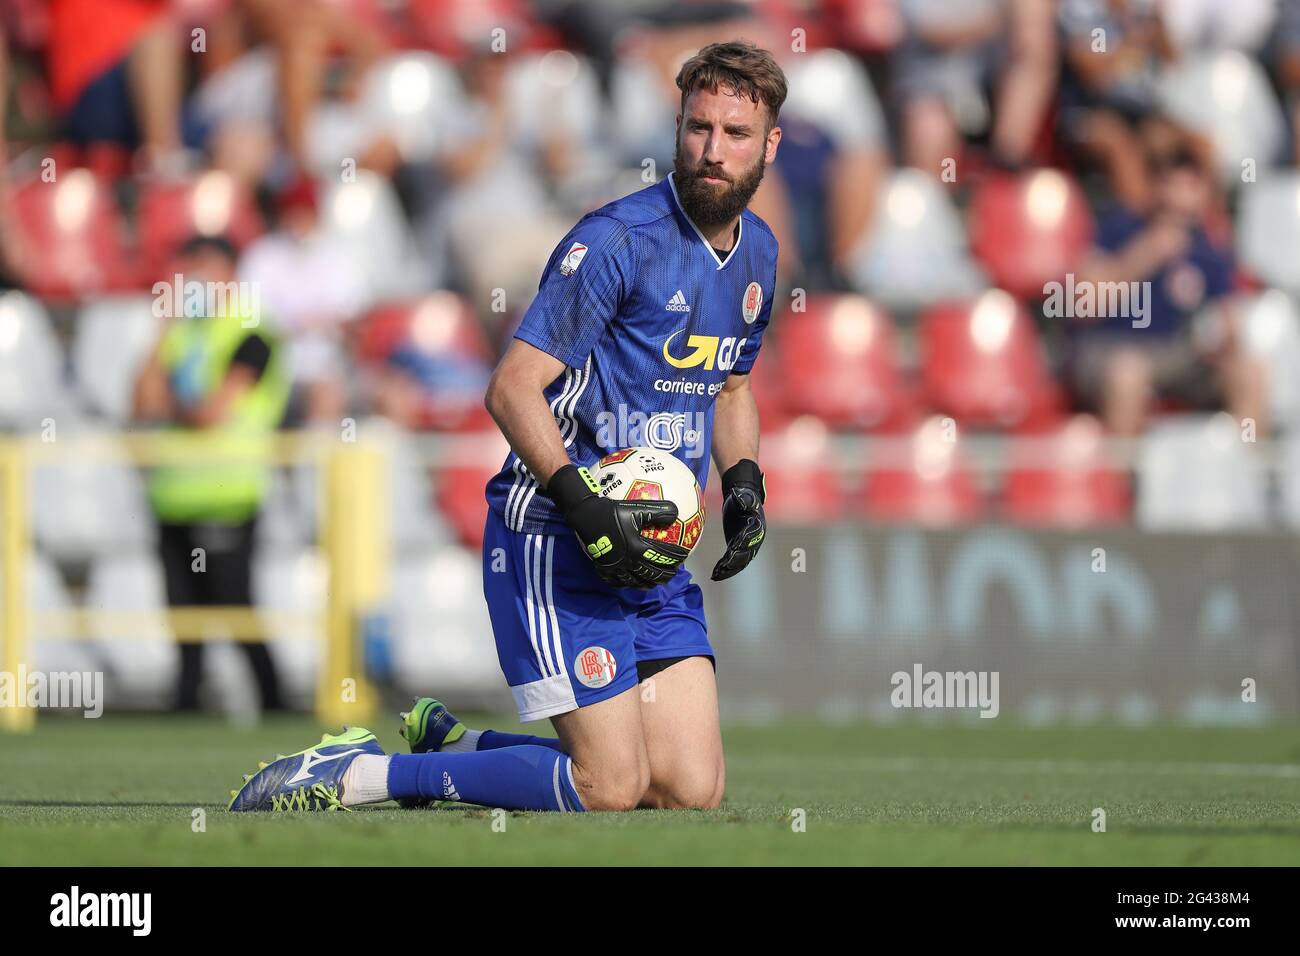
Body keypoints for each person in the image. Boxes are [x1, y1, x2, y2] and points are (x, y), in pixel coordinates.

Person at [230, 39, 784, 812]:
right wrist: (581, 502)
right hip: (557, 532)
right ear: (678, 127)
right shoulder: (617, 241)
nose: (712, 151)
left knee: (690, 789)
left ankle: (458, 747)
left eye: (735, 135)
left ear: (770, 145)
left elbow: (730, 388)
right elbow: (512, 387)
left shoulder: (758, 253)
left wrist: (746, 485)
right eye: (699, 128)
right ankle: (361, 775)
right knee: (610, 786)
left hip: (655, 547)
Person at [132, 234, 291, 712]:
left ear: (228, 272)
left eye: (201, 269)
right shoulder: (184, 332)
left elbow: (211, 412)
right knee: (183, 621)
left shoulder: (254, 332)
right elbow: (141, 402)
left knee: (236, 611)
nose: (193, 282)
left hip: (228, 497)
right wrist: (162, 332)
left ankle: (275, 705)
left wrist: (173, 404)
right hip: (172, 497)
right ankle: (186, 707)